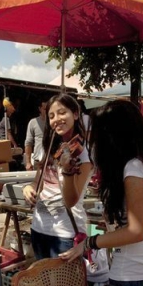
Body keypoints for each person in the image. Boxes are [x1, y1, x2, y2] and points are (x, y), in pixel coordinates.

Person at [60, 100, 143, 286]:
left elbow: (135, 231)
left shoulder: (134, 169)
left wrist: (90, 243)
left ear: (113, 136)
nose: (94, 142)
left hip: (133, 275)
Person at [23, 94, 93, 259]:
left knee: (63, 285)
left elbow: (71, 200)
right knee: (44, 282)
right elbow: (38, 182)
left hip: (66, 233)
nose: (56, 119)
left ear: (75, 114)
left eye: (62, 113)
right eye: (51, 116)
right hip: (39, 228)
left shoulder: (83, 154)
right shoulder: (46, 149)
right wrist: (29, 188)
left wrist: (68, 170)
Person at [24, 99, 48, 170]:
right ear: (39, 108)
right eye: (45, 109)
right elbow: (28, 143)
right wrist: (28, 162)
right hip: (38, 160)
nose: (47, 111)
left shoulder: (54, 122)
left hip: (52, 160)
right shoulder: (33, 122)